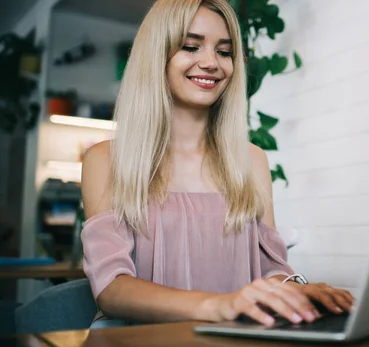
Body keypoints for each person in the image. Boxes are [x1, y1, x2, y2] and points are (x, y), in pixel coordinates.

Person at [80, 0, 354, 329]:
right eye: (191, 46)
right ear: (157, 55)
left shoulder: (251, 160)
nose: (211, 63)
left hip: (234, 338)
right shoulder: (105, 159)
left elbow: (272, 269)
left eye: (224, 52)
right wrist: (221, 305)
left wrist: (296, 291)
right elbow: (111, 288)